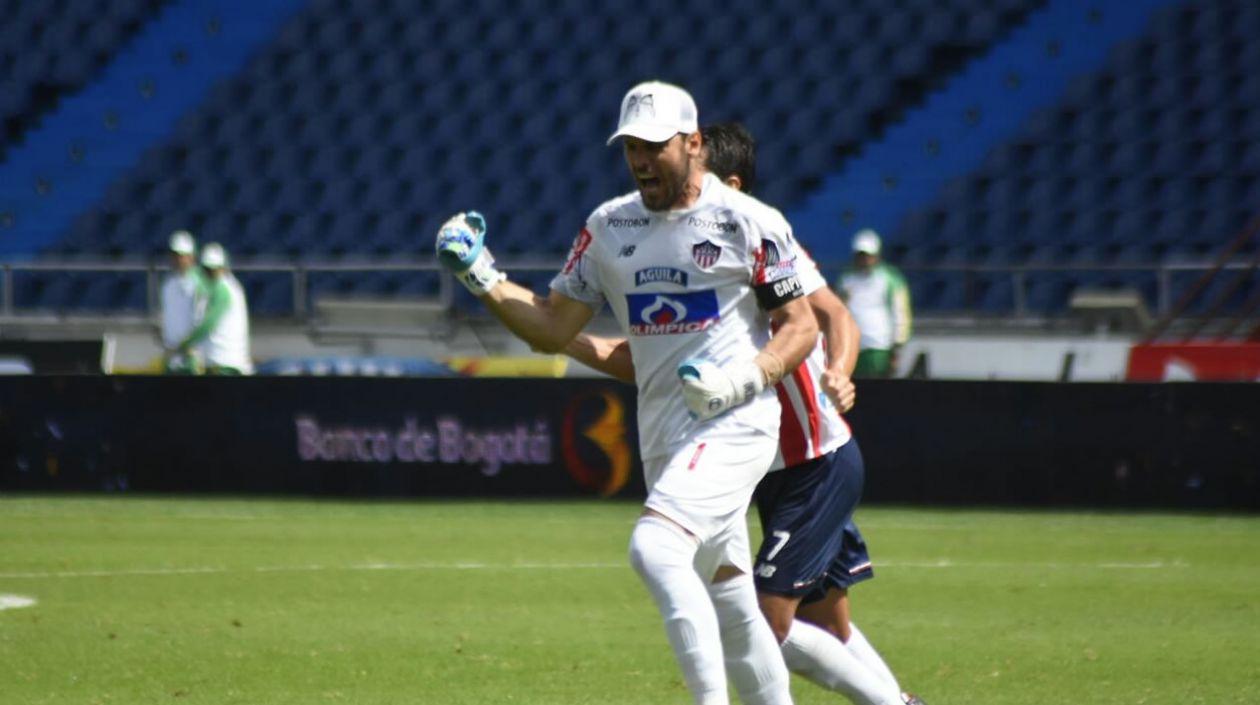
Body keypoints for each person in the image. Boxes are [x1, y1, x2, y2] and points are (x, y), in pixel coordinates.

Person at [436, 81, 821, 705]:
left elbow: (801, 325)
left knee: (655, 545)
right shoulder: (609, 229)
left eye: (654, 146)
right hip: (665, 435)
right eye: (630, 147)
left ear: (694, 143)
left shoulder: (748, 222)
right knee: (730, 602)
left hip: (738, 425)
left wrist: (742, 380)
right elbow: (555, 328)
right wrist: (483, 276)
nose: (640, 159)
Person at [563, 123, 924, 705]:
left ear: (728, 185)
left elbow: (835, 317)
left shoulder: (757, 249)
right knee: (826, 625)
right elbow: (634, 356)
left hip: (811, 460)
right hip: (758, 462)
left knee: (765, 622)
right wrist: (558, 337)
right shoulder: (698, 278)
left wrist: (841, 370)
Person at [837, 230, 912, 378]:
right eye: (860, 255)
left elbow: (900, 312)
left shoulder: (890, 279)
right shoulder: (846, 280)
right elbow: (838, 312)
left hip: (880, 347)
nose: (864, 259)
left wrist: (898, 344)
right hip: (852, 347)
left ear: (877, 255)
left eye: (868, 255)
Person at [177, 243, 253, 375]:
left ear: (223, 268)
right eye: (207, 269)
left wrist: (186, 343)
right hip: (221, 363)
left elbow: (209, 323)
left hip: (226, 365)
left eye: (214, 269)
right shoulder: (225, 287)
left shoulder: (223, 289)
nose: (210, 273)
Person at [159, 230, 208, 374]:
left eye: (182, 255)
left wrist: (192, 348)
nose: (178, 259)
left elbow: (201, 320)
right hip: (171, 357)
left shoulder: (200, 284)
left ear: (191, 257)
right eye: (175, 255)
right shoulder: (168, 285)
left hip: (192, 357)